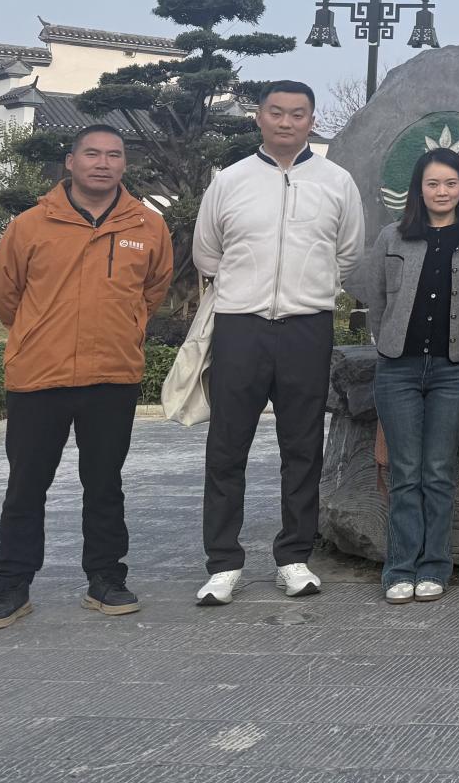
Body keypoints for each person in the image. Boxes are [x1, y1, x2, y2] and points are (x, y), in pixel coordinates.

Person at [0, 124, 174, 630]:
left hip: (112, 375)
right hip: (39, 375)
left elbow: (153, 291)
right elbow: (5, 295)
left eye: (114, 155)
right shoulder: (30, 225)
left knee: (104, 484)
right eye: (92, 154)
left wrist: (125, 326)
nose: (103, 163)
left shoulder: (149, 226)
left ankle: (106, 579)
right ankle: (11, 586)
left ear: (124, 164)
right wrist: (40, 332)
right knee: (26, 485)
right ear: (70, 161)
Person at [192, 81, 365, 606]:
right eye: (276, 112)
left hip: (306, 327)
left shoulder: (336, 182)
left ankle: (294, 557)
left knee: (302, 446)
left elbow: (348, 253)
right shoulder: (230, 180)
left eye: (297, 113)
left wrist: (311, 289)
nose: (286, 122)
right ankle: (224, 563)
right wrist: (247, 291)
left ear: (312, 120)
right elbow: (207, 254)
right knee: (227, 447)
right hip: (240, 326)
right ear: (259, 118)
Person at [352, 147, 459, 603]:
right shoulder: (393, 236)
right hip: (398, 367)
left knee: (437, 470)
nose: (442, 192)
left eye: (451, 183)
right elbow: (377, 298)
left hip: (453, 369)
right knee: (404, 471)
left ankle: (434, 565)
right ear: (418, 189)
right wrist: (390, 341)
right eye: (433, 183)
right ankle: (399, 568)